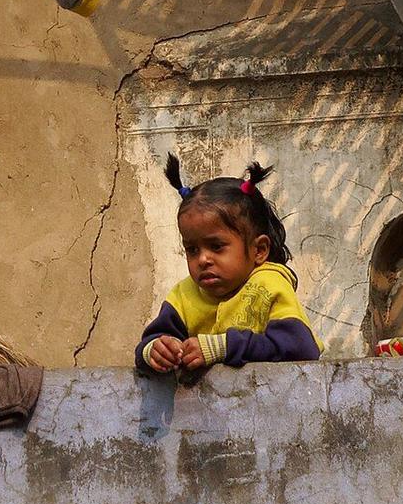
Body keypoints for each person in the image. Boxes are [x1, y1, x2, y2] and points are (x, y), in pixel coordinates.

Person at [136, 156, 321, 377]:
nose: (203, 259)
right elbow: (147, 346)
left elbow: (300, 347)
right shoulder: (183, 295)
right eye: (192, 249)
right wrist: (156, 351)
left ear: (259, 250)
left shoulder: (270, 285)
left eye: (216, 246)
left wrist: (222, 348)